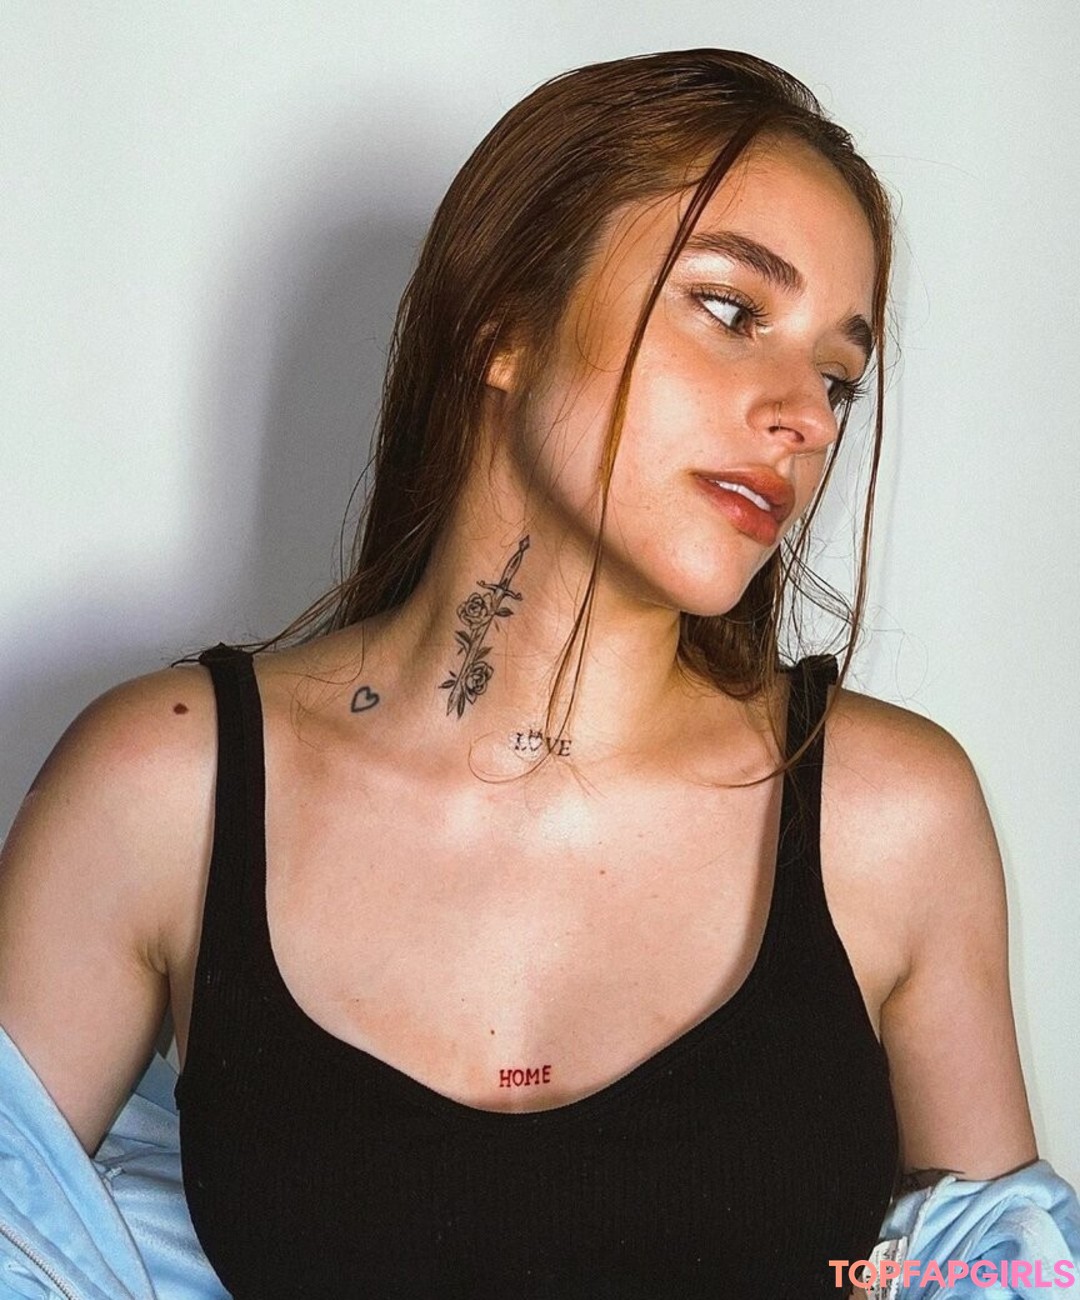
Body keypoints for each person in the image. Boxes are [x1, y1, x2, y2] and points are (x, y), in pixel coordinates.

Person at [0, 48, 1049, 1298]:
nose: (807, 418)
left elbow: (1008, 1279)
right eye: (730, 311)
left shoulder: (892, 820)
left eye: (839, 375)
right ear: (504, 324)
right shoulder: (162, 789)